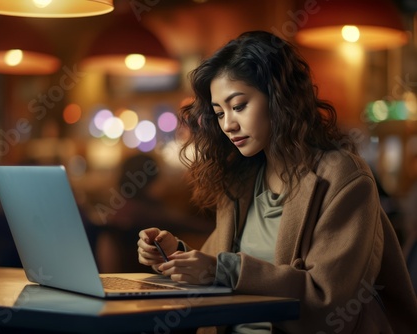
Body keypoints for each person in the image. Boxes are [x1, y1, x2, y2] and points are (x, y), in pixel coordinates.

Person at [136, 31, 417, 334]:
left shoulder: (343, 176)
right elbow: (218, 265)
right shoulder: (240, 180)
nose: (228, 124)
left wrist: (220, 270)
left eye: (239, 105)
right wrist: (174, 253)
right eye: (219, 113)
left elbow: (327, 300)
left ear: (279, 97)